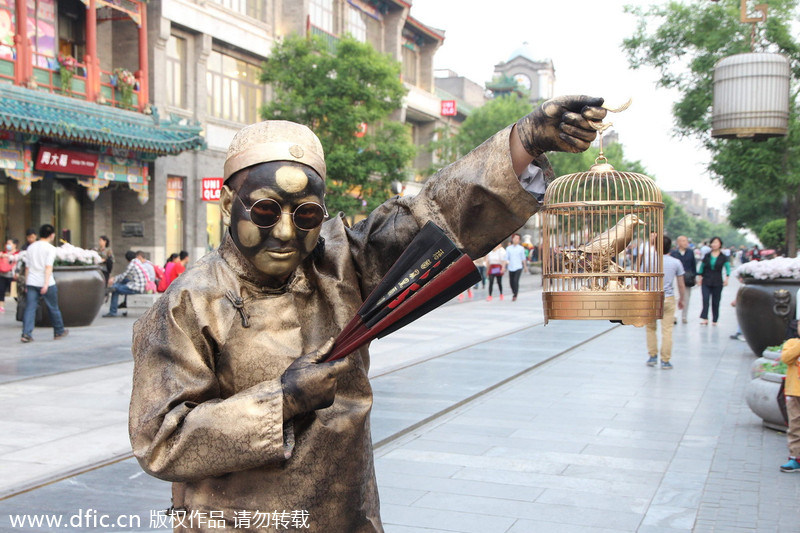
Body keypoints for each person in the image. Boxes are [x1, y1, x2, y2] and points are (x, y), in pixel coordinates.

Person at [128, 95, 607, 531]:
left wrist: (524, 141)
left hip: (345, 515)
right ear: (230, 204)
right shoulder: (189, 303)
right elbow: (161, 440)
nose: (287, 233)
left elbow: (435, 215)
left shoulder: (343, 266)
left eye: (307, 215)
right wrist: (285, 399)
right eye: (266, 211)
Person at [20, 224, 68, 343]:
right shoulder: (50, 248)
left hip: (31, 281)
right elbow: (48, 267)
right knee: (53, 307)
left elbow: (27, 268)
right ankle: (58, 331)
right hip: (46, 282)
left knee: (30, 308)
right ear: (51, 235)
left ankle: (26, 333)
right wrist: (46, 284)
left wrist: (26, 284)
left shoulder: (31, 247)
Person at [646, 236, 685, 370]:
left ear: (655, 246)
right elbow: (681, 284)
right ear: (670, 247)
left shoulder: (647, 260)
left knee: (650, 328)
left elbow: (640, 282)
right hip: (668, 298)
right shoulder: (676, 262)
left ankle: (652, 357)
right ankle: (665, 360)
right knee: (667, 330)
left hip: (651, 298)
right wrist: (682, 299)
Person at [779, 317, 800, 472]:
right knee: (795, 425)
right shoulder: (792, 343)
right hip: (794, 392)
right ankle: (795, 457)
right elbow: (786, 358)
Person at [697, 236, 730, 326]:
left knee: (716, 301)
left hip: (717, 281)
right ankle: (705, 318)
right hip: (706, 280)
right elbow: (701, 267)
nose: (714, 244)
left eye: (716, 242)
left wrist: (727, 279)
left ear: (720, 244)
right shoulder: (707, 256)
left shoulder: (723, 257)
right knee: (705, 299)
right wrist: (699, 278)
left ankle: (715, 319)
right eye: (713, 242)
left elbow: (727, 268)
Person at [103, 251, 146, 317]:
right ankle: (114, 289)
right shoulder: (137, 261)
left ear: (127, 259)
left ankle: (112, 312)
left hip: (137, 288)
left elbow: (123, 276)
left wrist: (113, 279)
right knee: (122, 282)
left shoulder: (132, 264)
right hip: (141, 286)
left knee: (115, 289)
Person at [670, 235, 696, 324]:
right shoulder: (674, 253)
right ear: (678, 243)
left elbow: (693, 265)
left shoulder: (690, 252)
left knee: (686, 297)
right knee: (676, 296)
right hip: (676, 277)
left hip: (687, 277)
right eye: (683, 241)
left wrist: (694, 276)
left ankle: (684, 316)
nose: (686, 243)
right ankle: (675, 316)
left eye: (686, 241)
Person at [505, 233, 528, 301]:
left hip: (518, 267)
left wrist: (525, 267)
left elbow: (523, 258)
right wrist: (504, 266)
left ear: (519, 240)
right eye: (514, 238)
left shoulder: (521, 248)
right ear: (512, 239)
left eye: (517, 238)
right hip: (511, 267)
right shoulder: (508, 248)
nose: (516, 239)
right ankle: (513, 291)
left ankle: (515, 294)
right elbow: (506, 258)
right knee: (511, 282)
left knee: (515, 281)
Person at [0, 238, 19, 312]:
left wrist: (8, 256)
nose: (7, 245)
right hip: (2, 275)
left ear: (14, 245)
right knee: (1, 291)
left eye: (9, 243)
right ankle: (1, 306)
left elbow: (16, 259)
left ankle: (20, 305)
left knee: (15, 293)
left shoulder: (17, 254)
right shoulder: (3, 253)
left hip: (12, 276)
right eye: (7, 243)